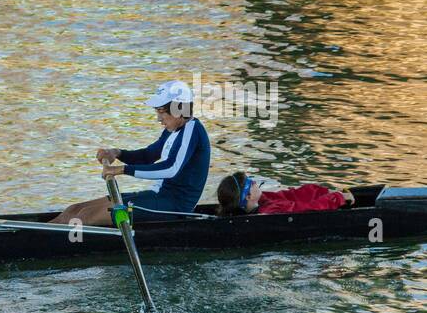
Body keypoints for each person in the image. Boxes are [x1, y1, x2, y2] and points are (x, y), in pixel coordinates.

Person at [51, 80, 210, 227]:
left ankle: (49, 242)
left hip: (173, 207)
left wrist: (121, 170)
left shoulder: (192, 130)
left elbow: (171, 168)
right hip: (155, 196)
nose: (158, 119)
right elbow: (148, 156)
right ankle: (37, 235)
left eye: (162, 112)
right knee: (74, 210)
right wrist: (118, 153)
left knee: (85, 217)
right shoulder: (173, 129)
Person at [215, 172, 354, 216]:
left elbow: (293, 195)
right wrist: (338, 198)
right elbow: (307, 209)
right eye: (252, 183)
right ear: (248, 196)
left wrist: (324, 192)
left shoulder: (263, 200)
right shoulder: (270, 211)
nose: (256, 183)